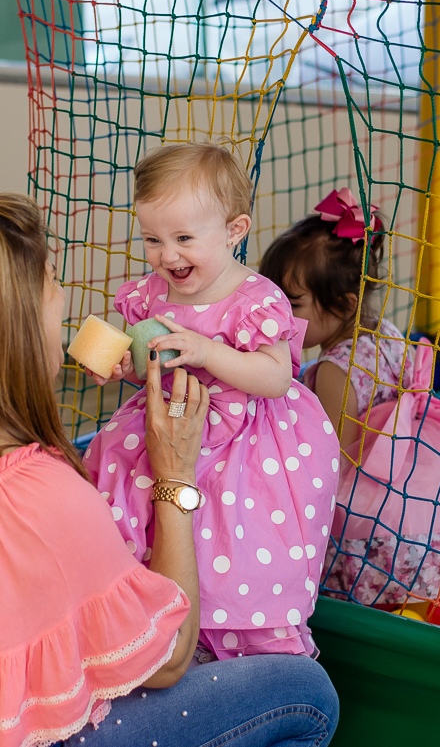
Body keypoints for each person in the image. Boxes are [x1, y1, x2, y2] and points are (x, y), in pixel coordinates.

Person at [0, 193, 339, 747]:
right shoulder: (42, 493)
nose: (64, 301)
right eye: (50, 281)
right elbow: (168, 658)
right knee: (307, 691)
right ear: (13, 320)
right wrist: (175, 478)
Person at [79, 144, 341, 661]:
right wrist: (124, 365)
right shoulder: (150, 294)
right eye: (153, 239)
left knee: (228, 543)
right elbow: (149, 360)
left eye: (183, 238)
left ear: (234, 231)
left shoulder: (255, 298)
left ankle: (247, 644)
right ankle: (155, 621)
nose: (166, 255)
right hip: (171, 425)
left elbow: (274, 375)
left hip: (245, 444)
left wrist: (208, 350)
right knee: (143, 511)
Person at [259, 188, 440, 608]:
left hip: (378, 502)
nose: (277, 314)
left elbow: (330, 463)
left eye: (292, 303)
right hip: (422, 483)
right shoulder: (387, 333)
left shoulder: (335, 371)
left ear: (344, 303)